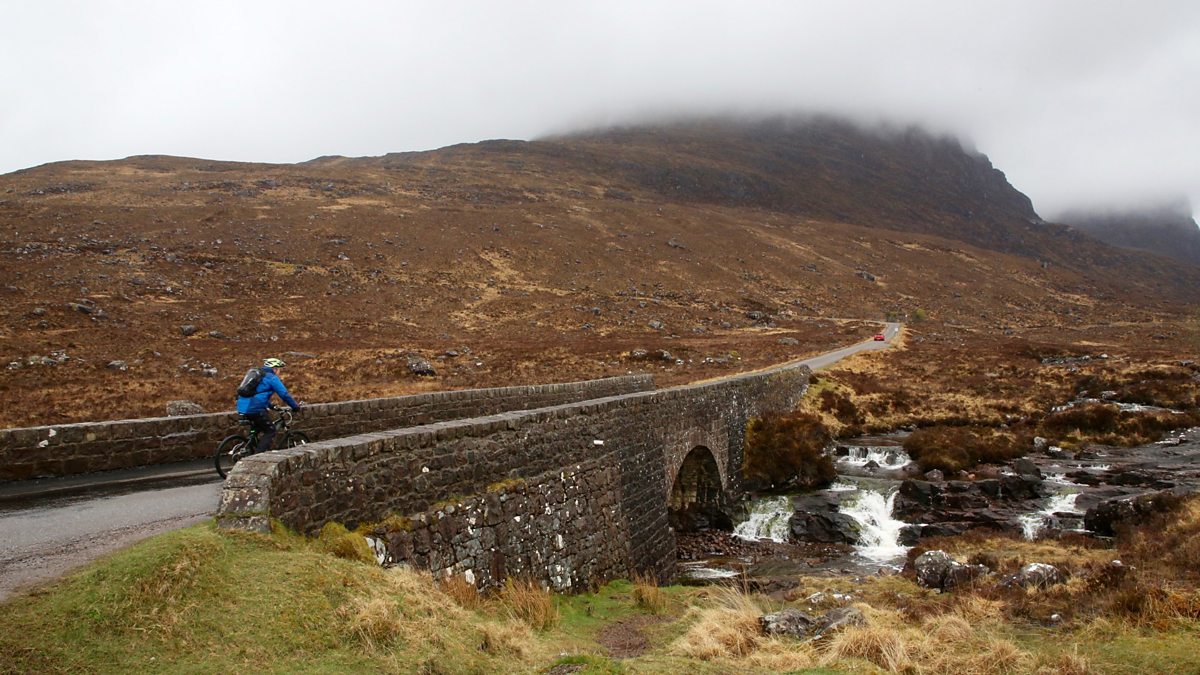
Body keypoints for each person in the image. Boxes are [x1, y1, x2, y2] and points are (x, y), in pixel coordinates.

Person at [236, 357, 301, 452]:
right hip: (254, 409)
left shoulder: (258, 375)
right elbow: (284, 394)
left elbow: (258, 395)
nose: (280, 372)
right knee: (270, 430)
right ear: (274, 368)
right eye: (279, 369)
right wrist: (295, 406)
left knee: (259, 427)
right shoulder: (271, 378)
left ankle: (250, 446)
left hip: (242, 406)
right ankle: (258, 455)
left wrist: (271, 406)